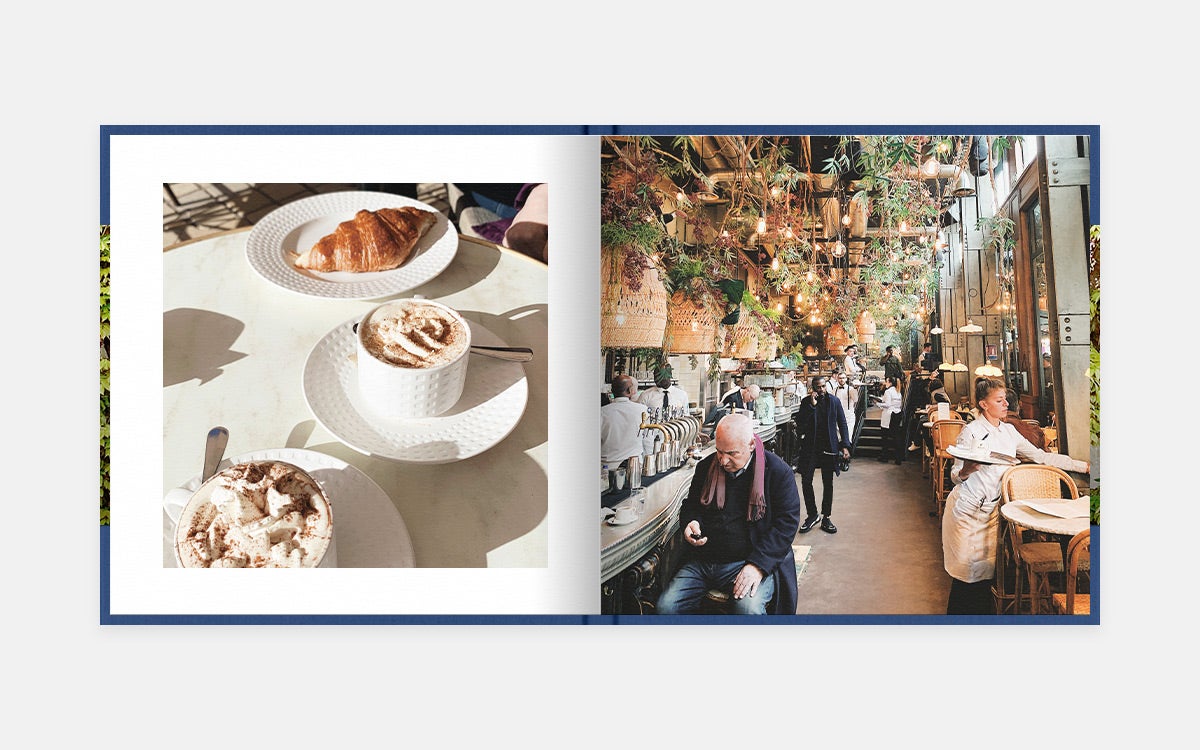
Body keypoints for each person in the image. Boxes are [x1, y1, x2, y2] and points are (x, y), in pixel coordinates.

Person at [941, 378, 1090, 615]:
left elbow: (1042, 457)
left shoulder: (1009, 432)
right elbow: (955, 476)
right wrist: (967, 470)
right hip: (966, 511)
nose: (1006, 404)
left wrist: (1084, 466)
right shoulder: (972, 431)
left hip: (991, 512)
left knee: (985, 574)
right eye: (999, 400)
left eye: (1006, 399)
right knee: (965, 576)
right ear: (983, 404)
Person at [656, 413, 801, 615]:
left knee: (747, 609)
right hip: (704, 560)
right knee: (666, 607)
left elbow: (786, 525)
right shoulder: (706, 467)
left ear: (751, 445)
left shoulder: (777, 472)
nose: (723, 461)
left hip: (749, 560)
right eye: (719, 451)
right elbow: (691, 505)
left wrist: (757, 566)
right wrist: (691, 522)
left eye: (732, 453)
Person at [793, 375, 852, 534]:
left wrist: (845, 445)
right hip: (810, 448)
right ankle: (812, 515)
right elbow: (800, 425)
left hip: (829, 447)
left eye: (824, 386)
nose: (822, 390)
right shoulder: (806, 402)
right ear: (813, 389)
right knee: (806, 480)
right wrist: (811, 406)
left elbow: (842, 423)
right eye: (818, 387)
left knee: (828, 482)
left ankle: (826, 516)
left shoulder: (834, 402)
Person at [600, 374, 648, 470]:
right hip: (635, 466)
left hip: (607, 467)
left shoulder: (602, 412)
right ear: (630, 391)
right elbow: (647, 440)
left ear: (612, 391)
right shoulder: (642, 410)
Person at [877, 376, 906, 464]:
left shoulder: (888, 391)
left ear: (889, 382)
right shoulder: (898, 392)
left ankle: (885, 456)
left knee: (885, 437)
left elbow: (888, 404)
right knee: (896, 436)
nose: (885, 383)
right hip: (897, 414)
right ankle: (898, 457)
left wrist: (878, 404)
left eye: (886, 381)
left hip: (889, 415)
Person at [829, 370, 859, 444]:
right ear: (837, 379)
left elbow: (856, 399)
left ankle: (848, 453)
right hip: (837, 416)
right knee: (839, 437)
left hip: (848, 416)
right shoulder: (834, 390)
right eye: (840, 378)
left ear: (846, 379)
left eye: (843, 378)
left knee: (848, 436)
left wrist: (855, 389)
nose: (841, 380)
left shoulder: (851, 389)